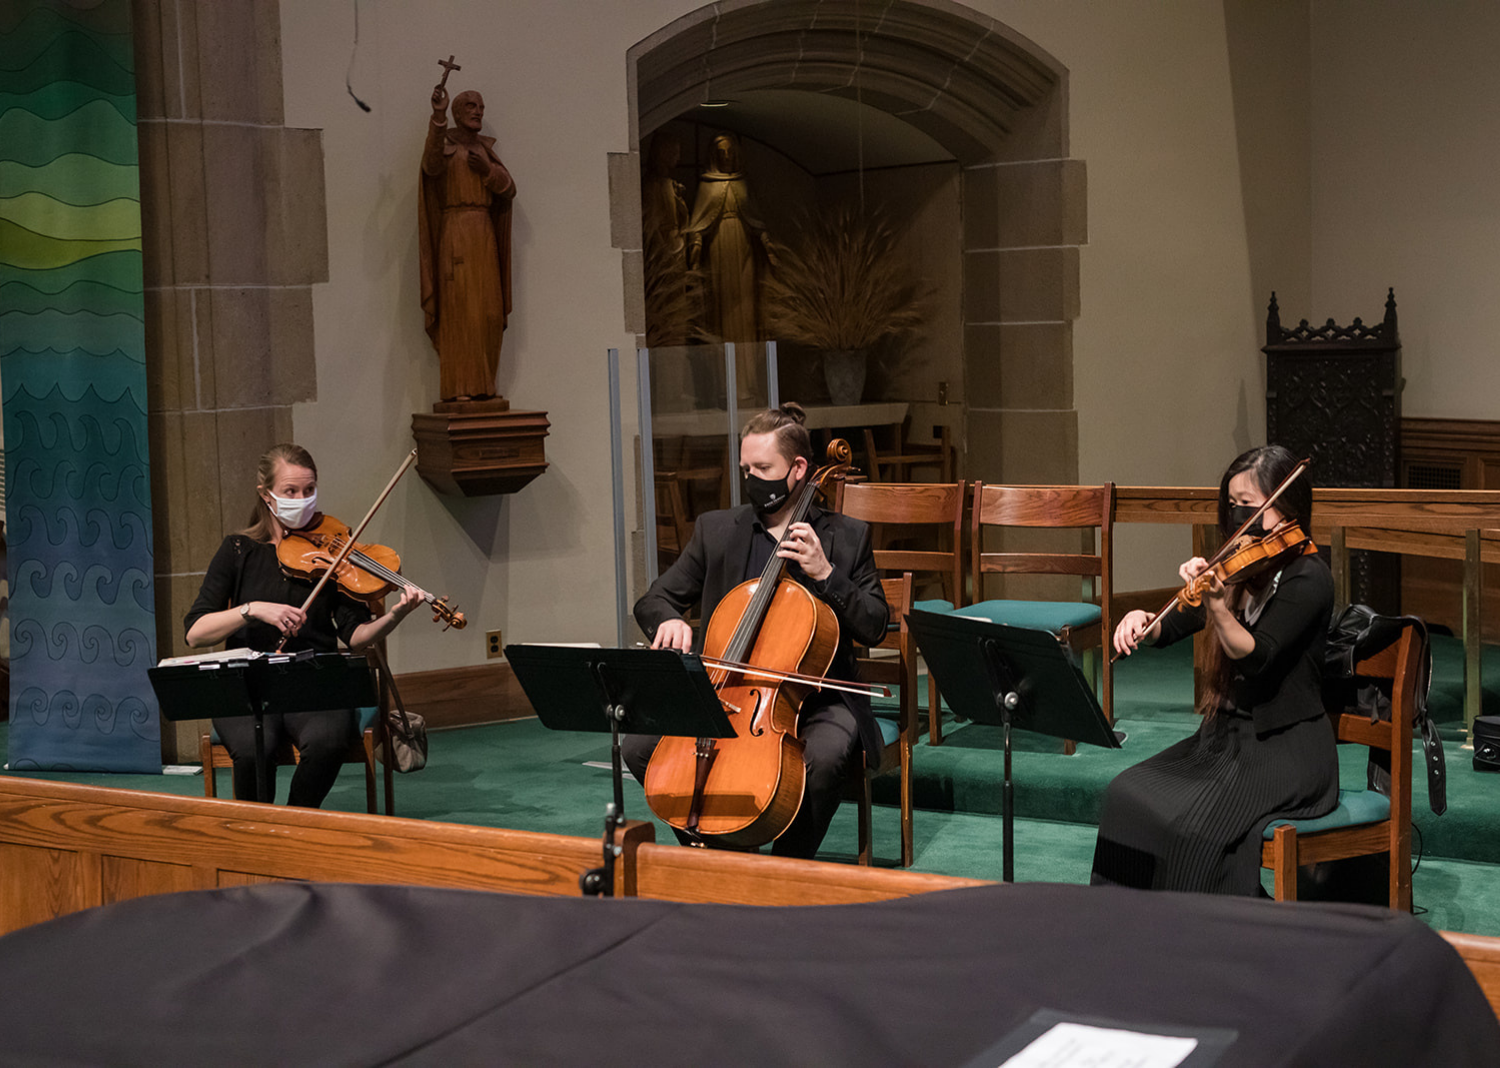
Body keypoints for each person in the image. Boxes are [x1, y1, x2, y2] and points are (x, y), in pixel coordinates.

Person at [623, 404, 889, 859]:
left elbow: (876, 624)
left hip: (818, 699)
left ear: (799, 468)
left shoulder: (846, 536)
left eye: (763, 468)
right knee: (640, 746)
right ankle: (716, 850)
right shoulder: (717, 530)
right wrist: (667, 619)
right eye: (746, 468)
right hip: (727, 693)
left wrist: (827, 575)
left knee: (820, 761)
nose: (752, 479)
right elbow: (653, 599)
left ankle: (787, 867)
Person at [1091, 445, 1338, 895]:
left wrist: (1220, 608)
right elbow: (1179, 620)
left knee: (1194, 832)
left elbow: (1259, 657)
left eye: (1251, 506)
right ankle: (1122, 923)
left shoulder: (1310, 576)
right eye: (1233, 506)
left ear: (1287, 508)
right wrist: (1145, 622)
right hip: (1226, 740)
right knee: (1126, 796)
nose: (1240, 518)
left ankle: (1200, 939)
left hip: (1286, 751)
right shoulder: (1241, 565)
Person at [184, 444, 424, 807]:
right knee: (252, 750)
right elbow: (195, 631)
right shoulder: (238, 550)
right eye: (290, 492)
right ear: (267, 495)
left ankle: (297, 821)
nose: (302, 499)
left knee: (328, 743)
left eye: (308, 490)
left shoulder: (335, 554)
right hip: (248, 683)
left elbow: (356, 636)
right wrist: (252, 610)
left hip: (314, 680)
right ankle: (256, 831)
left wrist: (395, 615)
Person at [419, 84, 517, 402]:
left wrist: (487, 170)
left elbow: (509, 189)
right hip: (455, 232)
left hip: (483, 234)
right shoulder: (446, 145)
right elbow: (431, 166)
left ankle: (485, 385)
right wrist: (438, 115)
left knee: (488, 310)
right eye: (472, 106)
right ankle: (458, 388)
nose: (478, 112)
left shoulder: (485, 152)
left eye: (481, 107)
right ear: (458, 113)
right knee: (460, 310)